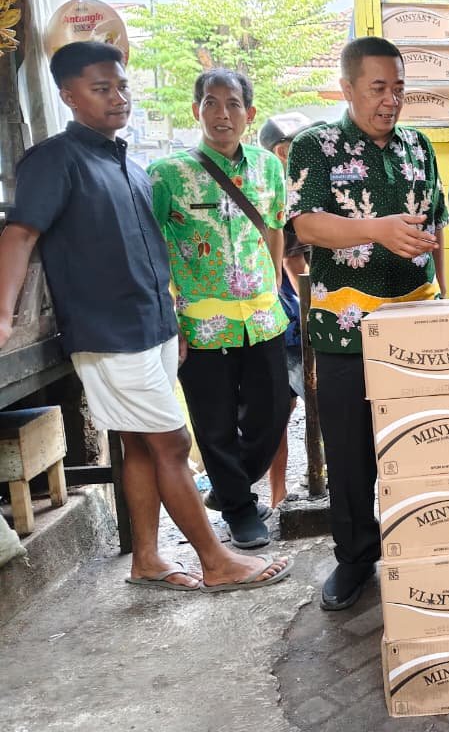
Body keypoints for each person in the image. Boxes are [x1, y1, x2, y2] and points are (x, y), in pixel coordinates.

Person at [0, 41, 291, 593]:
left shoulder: (128, 166)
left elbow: (155, 253)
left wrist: (171, 321)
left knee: (139, 445)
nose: (118, 98)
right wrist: (3, 314)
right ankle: (216, 561)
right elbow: (20, 233)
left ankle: (148, 558)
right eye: (101, 89)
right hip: (111, 333)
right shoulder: (56, 160)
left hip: (153, 326)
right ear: (69, 96)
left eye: (122, 86)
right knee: (173, 444)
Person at [288, 36, 447, 611]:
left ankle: (423, 545)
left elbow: (435, 229)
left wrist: (446, 300)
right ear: (348, 88)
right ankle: (355, 558)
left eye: (398, 88)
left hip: (417, 327)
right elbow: (306, 225)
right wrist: (377, 229)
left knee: (422, 445)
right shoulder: (314, 145)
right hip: (346, 331)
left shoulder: (418, 146)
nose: (391, 100)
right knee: (350, 452)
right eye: (378, 88)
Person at [148, 69, 292, 550]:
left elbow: (274, 227)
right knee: (214, 422)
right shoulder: (167, 174)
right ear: (196, 111)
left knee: (274, 411)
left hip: (263, 316)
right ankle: (239, 508)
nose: (222, 114)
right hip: (201, 321)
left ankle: (230, 485)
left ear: (249, 114)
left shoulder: (268, 167)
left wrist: (274, 283)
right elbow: (152, 248)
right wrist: (169, 314)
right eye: (211, 103)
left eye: (232, 104)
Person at [258, 111, 320, 507]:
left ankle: (281, 493)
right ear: (283, 152)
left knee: (284, 407)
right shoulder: (286, 192)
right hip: (293, 316)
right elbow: (294, 264)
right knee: (295, 403)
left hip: (287, 315)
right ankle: (283, 493)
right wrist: (314, 308)